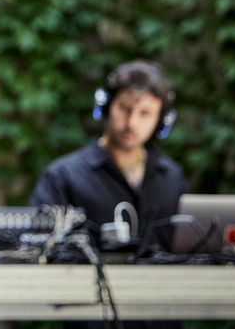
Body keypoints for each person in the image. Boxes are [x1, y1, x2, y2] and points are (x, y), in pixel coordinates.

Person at [30, 59, 190, 254]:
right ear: (106, 106)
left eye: (145, 113)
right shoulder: (62, 177)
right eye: (124, 108)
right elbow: (40, 251)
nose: (131, 122)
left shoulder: (172, 178)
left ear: (162, 121)